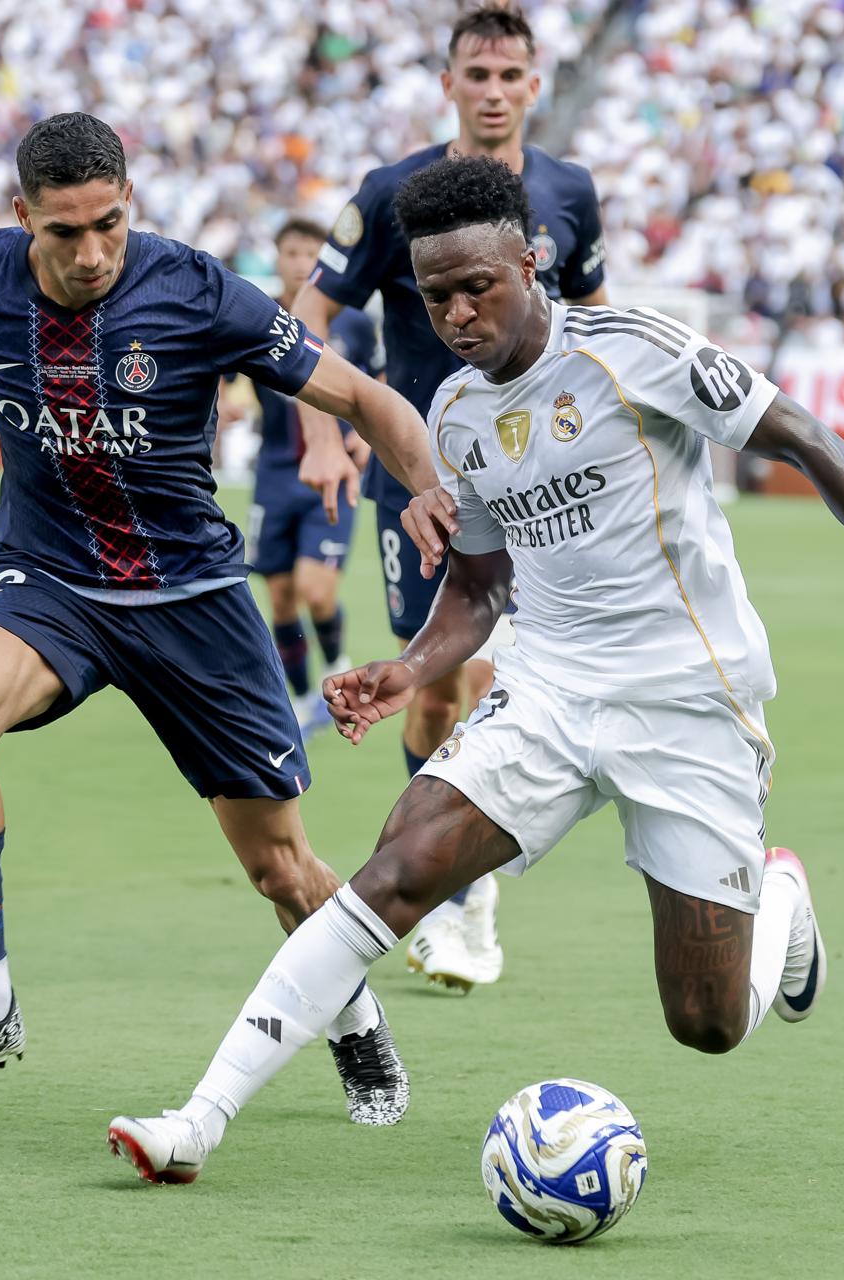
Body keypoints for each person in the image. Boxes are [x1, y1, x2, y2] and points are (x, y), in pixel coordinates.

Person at [106, 155, 844, 1185]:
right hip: (547, 689)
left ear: (530, 263)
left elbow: (804, 437)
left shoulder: (637, 352)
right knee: (397, 865)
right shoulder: (454, 414)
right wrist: (411, 668)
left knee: (707, 1022)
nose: (454, 312)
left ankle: (780, 899)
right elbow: (483, 584)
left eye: (475, 286)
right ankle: (199, 1117)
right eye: (434, 294)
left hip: (687, 699)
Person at [0, 112, 452, 1125]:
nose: (91, 251)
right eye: (64, 231)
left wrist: (421, 487)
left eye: (108, 223)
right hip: (49, 579)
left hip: (192, 599)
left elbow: (371, 400)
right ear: (22, 216)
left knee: (278, 865)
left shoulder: (197, 291)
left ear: (131, 204)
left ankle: (356, 1015)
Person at [290, 0, 609, 994]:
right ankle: (456, 860)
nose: (497, 93)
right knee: (430, 684)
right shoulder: (394, 192)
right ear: (450, 84)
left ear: (536, 83)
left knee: (484, 678)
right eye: (479, 76)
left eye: (514, 76)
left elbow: (597, 324)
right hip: (423, 480)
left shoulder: (570, 193)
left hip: (541, 476)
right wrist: (322, 428)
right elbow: (309, 310)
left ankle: (464, 888)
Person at [232, 219, 379, 735]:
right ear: (277, 257)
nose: (299, 262)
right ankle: (297, 697)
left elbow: (377, 382)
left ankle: (338, 668)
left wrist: (364, 436)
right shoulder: (253, 317)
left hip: (332, 474)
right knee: (281, 597)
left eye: (308, 252)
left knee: (317, 591)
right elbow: (222, 377)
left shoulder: (353, 323)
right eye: (290, 252)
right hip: (273, 475)